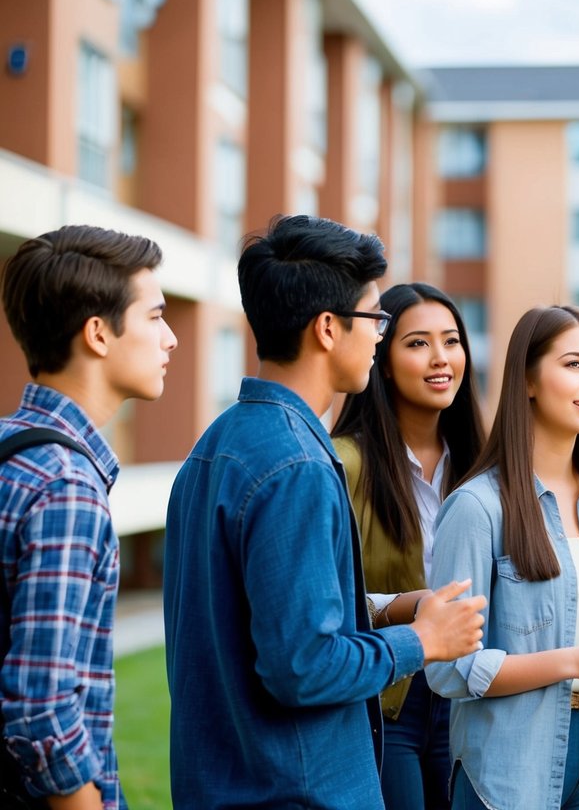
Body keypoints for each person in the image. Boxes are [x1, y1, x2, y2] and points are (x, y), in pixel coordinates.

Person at [162, 215, 486, 809]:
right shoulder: (300, 466)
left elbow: (269, 618)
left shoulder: (215, 446)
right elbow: (304, 666)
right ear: (329, 328)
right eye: (376, 321)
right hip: (296, 792)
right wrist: (423, 640)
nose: (380, 337)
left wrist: (400, 613)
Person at [428, 305, 579, 810]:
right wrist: (573, 662)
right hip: (512, 759)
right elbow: (449, 671)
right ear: (527, 381)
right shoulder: (477, 508)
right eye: (574, 364)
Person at [0, 226, 177, 810]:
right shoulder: (66, 487)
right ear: (98, 333)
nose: (171, 339)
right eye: (154, 317)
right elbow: (43, 707)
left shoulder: (11, 450)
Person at [330, 282, 486, 809]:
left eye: (451, 341)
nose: (441, 358)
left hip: (469, 694)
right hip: (389, 700)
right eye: (418, 343)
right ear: (384, 359)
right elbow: (331, 602)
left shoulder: (485, 468)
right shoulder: (343, 464)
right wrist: (412, 605)